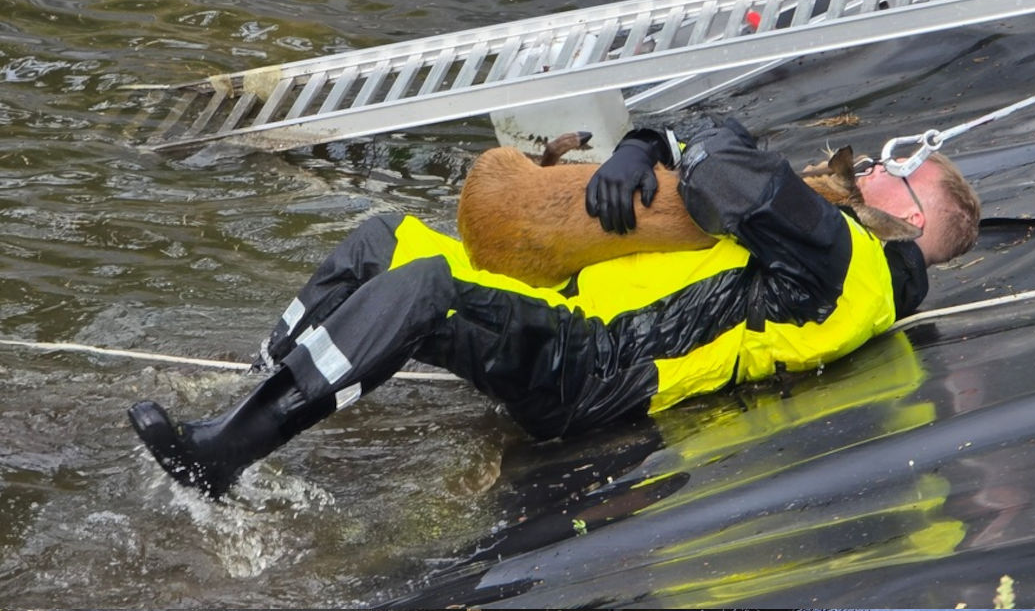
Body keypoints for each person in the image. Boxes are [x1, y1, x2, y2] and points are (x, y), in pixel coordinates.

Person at [128, 118, 981, 499]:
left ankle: (226, 455)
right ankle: (255, 386)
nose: (871, 164)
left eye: (891, 171)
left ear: (907, 216)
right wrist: (647, 145)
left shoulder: (847, 256)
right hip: (573, 311)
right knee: (386, 238)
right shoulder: (842, 252)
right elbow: (719, 138)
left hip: (604, 369)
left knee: (426, 293)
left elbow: (728, 167)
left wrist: (658, 148)